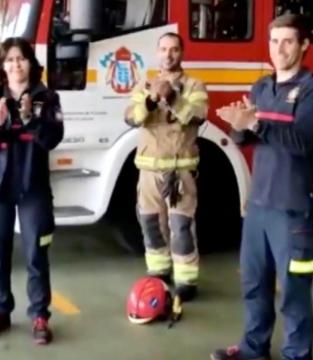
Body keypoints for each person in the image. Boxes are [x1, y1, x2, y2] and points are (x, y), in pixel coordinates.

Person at [211, 14, 313, 360]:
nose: (279, 49)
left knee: (293, 293)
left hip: (294, 210)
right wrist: (238, 125)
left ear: (304, 45)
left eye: (288, 41)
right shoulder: (262, 87)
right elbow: (247, 137)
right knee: (254, 286)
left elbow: (304, 141)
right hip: (259, 206)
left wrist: (256, 123)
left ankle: (297, 355)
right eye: (274, 41)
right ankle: (253, 350)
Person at [0, 37, 64, 345]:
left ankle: (39, 315)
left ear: (31, 63)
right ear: (2, 65)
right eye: (9, 59)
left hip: (32, 186)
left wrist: (29, 119)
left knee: (36, 252)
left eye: (21, 58)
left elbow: (52, 138)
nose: (15, 65)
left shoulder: (47, 98)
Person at [124, 32, 208, 301]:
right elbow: (131, 118)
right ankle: (158, 271)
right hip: (148, 170)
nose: (168, 55)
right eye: (163, 49)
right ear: (157, 53)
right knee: (149, 222)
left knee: (181, 225)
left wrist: (172, 97)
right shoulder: (144, 85)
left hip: (180, 170)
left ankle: (186, 280)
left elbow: (196, 117)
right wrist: (150, 100)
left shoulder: (194, 86)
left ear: (181, 53)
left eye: (174, 49)